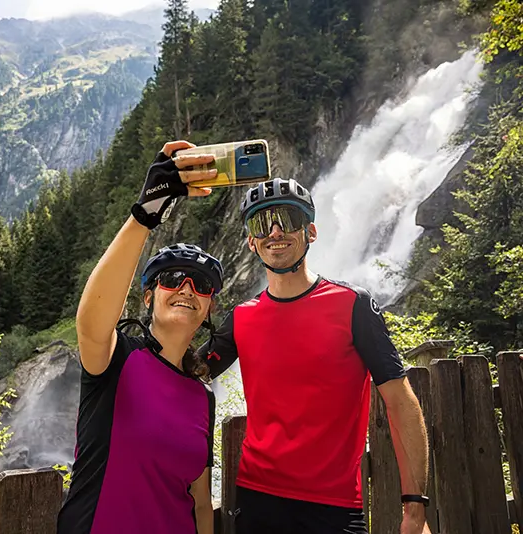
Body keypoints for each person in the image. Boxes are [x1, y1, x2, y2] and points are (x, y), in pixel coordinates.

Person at [201, 178, 432, 534]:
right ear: (251, 241)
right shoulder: (240, 318)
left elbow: (401, 402)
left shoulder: (353, 306)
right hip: (256, 499)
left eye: (288, 219)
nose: (275, 231)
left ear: (310, 231)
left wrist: (415, 507)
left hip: (333, 506)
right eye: (263, 223)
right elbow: (187, 373)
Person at [57, 140, 223, 534]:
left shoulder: (203, 395)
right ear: (148, 297)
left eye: (200, 284)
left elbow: (200, 503)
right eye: (171, 279)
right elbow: (90, 321)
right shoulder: (117, 359)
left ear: (208, 306)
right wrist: (144, 216)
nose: (186, 288)